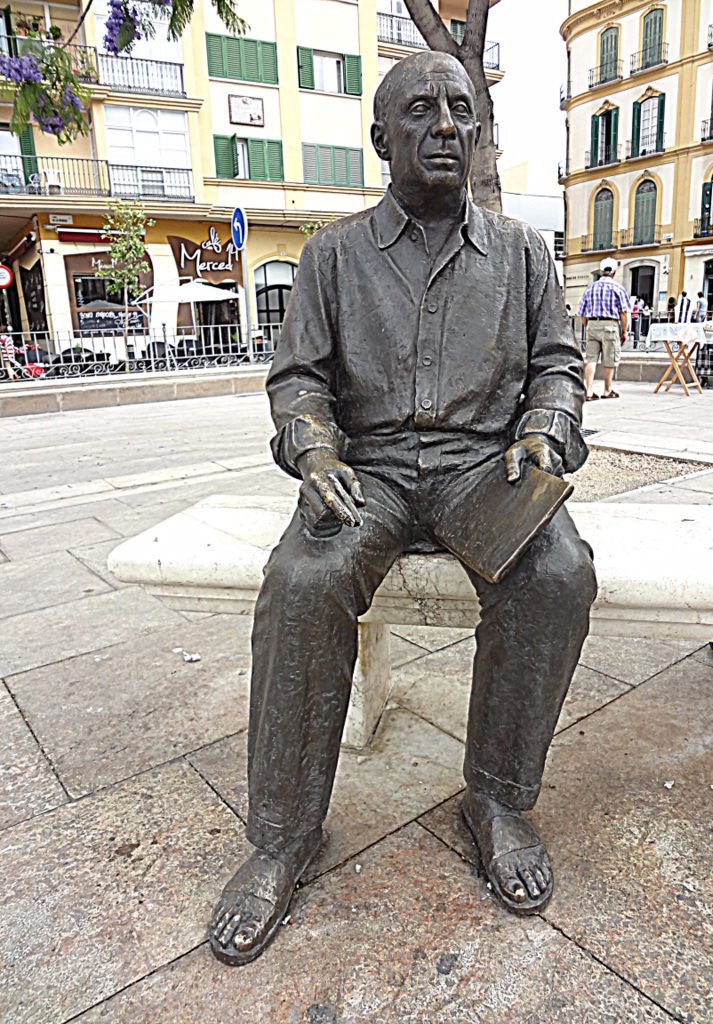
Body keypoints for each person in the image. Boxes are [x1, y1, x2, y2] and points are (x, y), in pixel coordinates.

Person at [208, 50, 597, 967]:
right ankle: (283, 836)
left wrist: (545, 430)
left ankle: (496, 801)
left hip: (482, 468)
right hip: (370, 470)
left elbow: (558, 366)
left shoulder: (523, 253)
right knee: (302, 580)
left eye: (460, 109)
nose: (446, 125)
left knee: (557, 573)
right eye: (420, 110)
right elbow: (299, 379)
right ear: (382, 138)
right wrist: (313, 449)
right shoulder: (331, 256)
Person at [577, 257, 631, 400]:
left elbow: (581, 312)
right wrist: (624, 331)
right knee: (609, 359)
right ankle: (607, 390)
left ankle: (589, 391)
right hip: (610, 325)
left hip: (592, 324)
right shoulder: (618, 288)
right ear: (613, 273)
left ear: (601, 272)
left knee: (591, 359)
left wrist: (588, 326)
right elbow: (623, 313)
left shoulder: (590, 288)